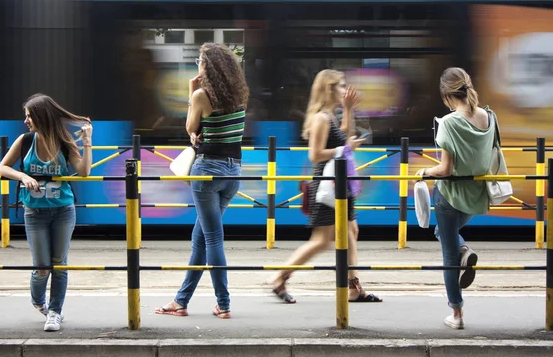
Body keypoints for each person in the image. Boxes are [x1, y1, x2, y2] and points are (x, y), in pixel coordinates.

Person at [270, 69, 382, 304]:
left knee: (352, 232)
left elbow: (342, 137)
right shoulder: (321, 118)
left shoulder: (330, 116)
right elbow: (315, 154)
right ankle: (280, 277)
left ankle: (354, 287)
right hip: (327, 187)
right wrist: (345, 149)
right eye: (340, 85)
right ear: (328, 89)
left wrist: (349, 111)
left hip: (339, 184)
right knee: (322, 240)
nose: (344, 89)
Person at [155, 43, 248, 319]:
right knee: (201, 238)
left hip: (208, 173)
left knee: (213, 238)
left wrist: (190, 92)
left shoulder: (200, 95)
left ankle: (224, 303)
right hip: (233, 174)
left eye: (199, 61)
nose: (197, 64)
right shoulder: (241, 95)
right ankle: (180, 302)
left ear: (207, 67)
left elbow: (190, 129)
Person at [0, 94, 93, 331]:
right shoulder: (26, 141)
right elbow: (2, 167)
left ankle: (55, 312)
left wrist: (87, 142)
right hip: (35, 213)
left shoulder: (64, 141)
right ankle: (38, 301)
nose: (26, 121)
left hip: (63, 211)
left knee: (59, 265)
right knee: (41, 267)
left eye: (29, 116)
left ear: (41, 116)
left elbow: (84, 172)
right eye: (26, 116)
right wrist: (24, 176)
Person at [415, 67, 495, 330]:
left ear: (447, 97)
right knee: (445, 235)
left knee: (448, 255)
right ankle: (464, 250)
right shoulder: (488, 117)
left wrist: (425, 171)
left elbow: (446, 170)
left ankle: (457, 314)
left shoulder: (449, 122)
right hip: (476, 195)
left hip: (449, 195)